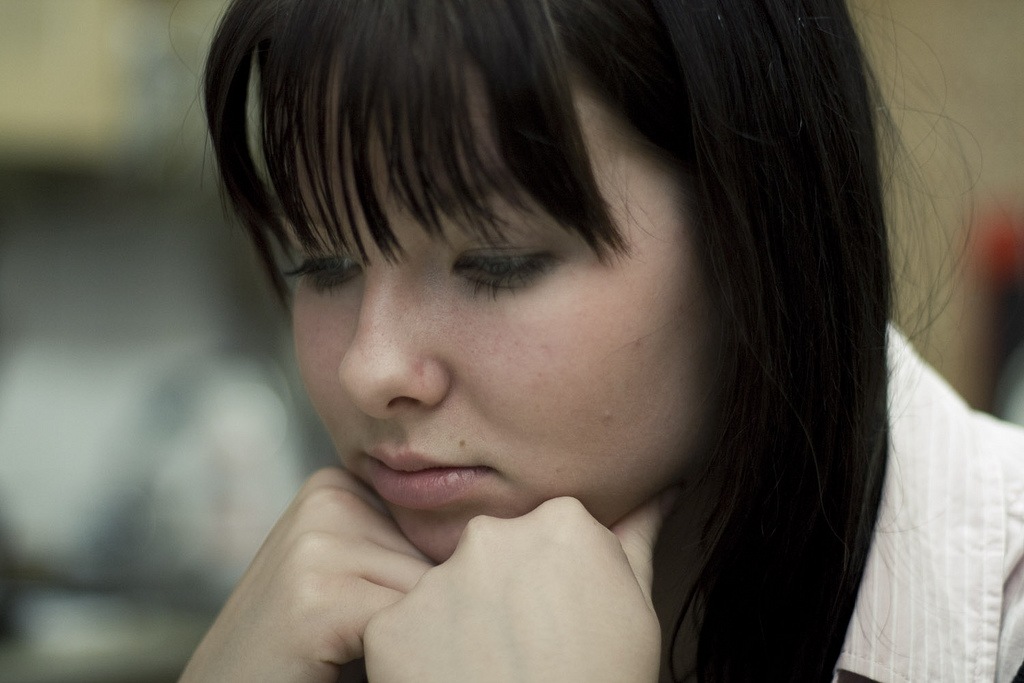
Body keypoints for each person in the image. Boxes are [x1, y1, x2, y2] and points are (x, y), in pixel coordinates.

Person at [182, 0, 1024, 681]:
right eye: (321, 263)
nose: (369, 369)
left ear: (758, 234)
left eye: (497, 264)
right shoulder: (320, 625)